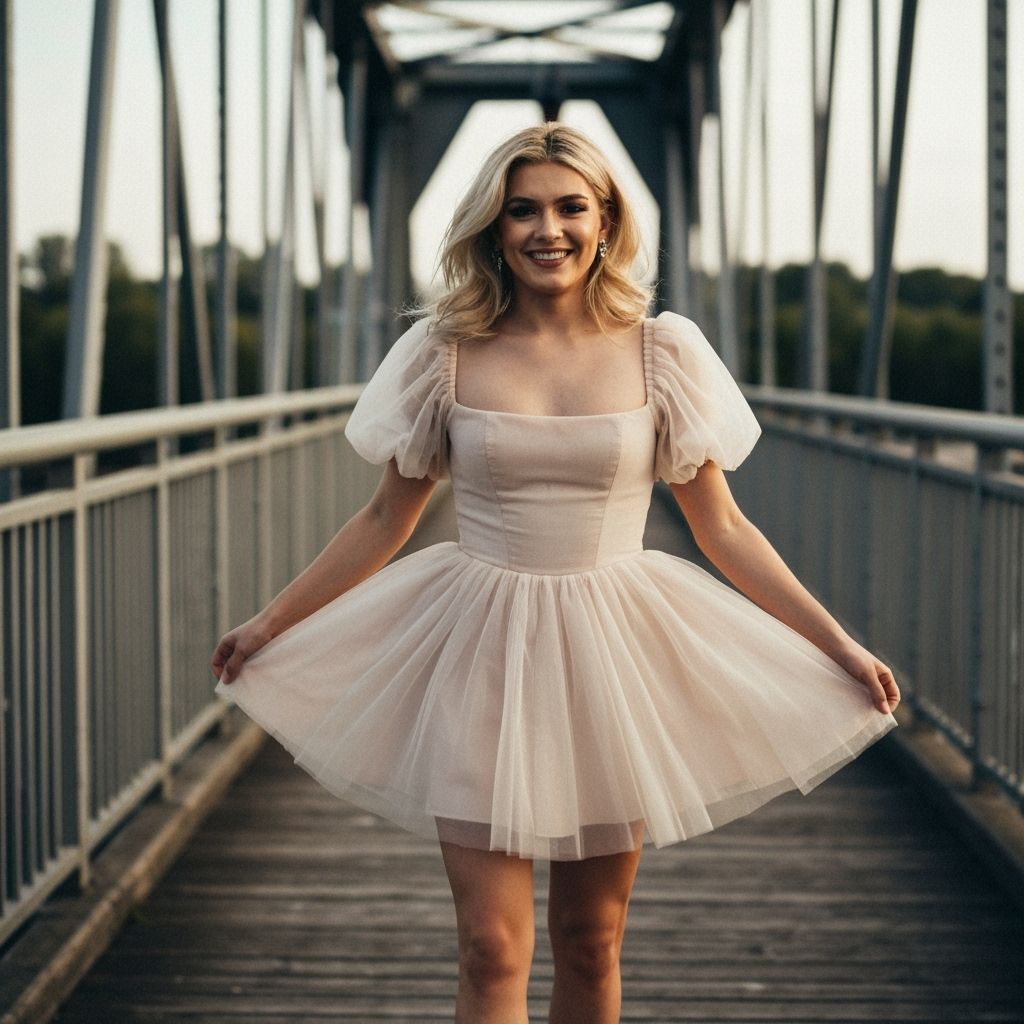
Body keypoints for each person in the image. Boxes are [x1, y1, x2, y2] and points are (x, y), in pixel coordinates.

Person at [212, 122, 900, 1024]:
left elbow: (724, 528)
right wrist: (270, 623)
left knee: (590, 939)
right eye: (522, 210)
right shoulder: (444, 353)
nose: (549, 229)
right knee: (490, 947)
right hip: (479, 647)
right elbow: (388, 515)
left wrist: (838, 644)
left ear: (606, 222)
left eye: (571, 207)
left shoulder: (664, 353)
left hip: (614, 655)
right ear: (494, 230)